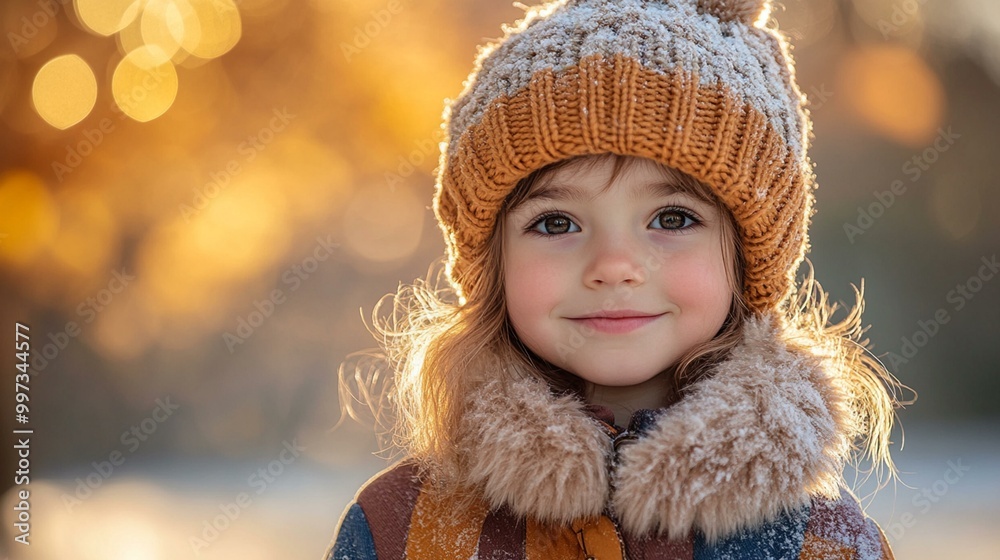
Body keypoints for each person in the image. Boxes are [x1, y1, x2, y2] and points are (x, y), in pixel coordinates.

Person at [327, 0, 906, 558]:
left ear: (750, 258)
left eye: (672, 219)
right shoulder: (400, 530)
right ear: (491, 264)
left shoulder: (819, 543)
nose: (614, 266)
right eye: (556, 222)